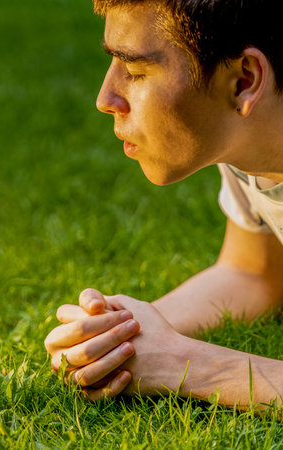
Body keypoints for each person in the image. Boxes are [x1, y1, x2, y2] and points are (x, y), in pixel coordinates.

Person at [44, 0, 283, 409]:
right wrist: (120, 337)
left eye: (135, 71)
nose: (105, 98)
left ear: (243, 80)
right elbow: (253, 273)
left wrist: (185, 364)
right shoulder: (251, 148)